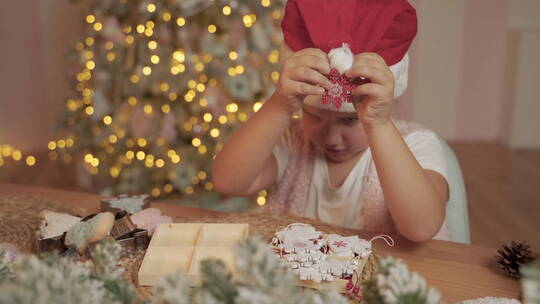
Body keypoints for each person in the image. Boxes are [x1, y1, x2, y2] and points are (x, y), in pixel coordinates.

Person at [212, 0, 450, 242]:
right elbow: (228, 182)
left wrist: (378, 124)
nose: (331, 137)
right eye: (313, 116)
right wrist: (280, 105)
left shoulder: (419, 144)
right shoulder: (293, 140)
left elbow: (421, 228)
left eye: (349, 120)